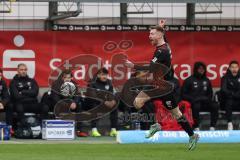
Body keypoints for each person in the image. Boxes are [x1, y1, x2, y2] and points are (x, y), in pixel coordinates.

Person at [125, 21, 199, 150]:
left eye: (152, 33)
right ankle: (192, 135)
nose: (149, 36)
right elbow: (164, 38)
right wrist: (162, 27)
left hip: (160, 86)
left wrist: (133, 66)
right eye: (149, 33)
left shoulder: (161, 52)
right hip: (164, 86)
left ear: (159, 35)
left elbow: (150, 67)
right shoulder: (166, 45)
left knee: (137, 102)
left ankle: (156, 125)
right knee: (176, 114)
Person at [44, 69, 88, 137]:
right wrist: (67, 105)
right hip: (59, 104)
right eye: (65, 77)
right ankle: (56, 130)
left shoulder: (74, 84)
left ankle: (79, 131)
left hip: (70, 104)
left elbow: (77, 96)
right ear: (62, 78)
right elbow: (55, 99)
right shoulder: (56, 84)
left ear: (71, 78)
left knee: (79, 105)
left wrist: (74, 102)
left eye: (69, 77)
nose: (67, 79)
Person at [182, 62, 218, 131]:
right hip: (194, 103)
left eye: (203, 69)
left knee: (215, 106)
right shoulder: (189, 80)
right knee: (196, 106)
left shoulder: (207, 80)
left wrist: (206, 99)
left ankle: (212, 127)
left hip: (205, 103)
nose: (201, 70)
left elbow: (210, 93)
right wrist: (192, 99)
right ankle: (196, 127)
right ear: (195, 69)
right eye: (200, 69)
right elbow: (184, 94)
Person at [86, 68, 117, 137]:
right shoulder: (92, 82)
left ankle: (113, 130)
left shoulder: (109, 82)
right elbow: (93, 96)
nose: (104, 77)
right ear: (98, 75)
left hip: (104, 103)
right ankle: (94, 130)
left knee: (114, 106)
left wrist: (112, 101)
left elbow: (111, 94)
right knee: (94, 106)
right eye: (102, 75)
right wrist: (104, 102)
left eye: (106, 75)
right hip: (90, 103)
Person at [220, 60, 240, 130]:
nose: (234, 69)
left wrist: (236, 95)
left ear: (238, 68)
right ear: (229, 68)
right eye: (232, 67)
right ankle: (230, 123)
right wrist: (233, 94)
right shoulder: (225, 78)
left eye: (236, 67)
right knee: (229, 101)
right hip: (228, 100)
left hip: (238, 100)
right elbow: (224, 90)